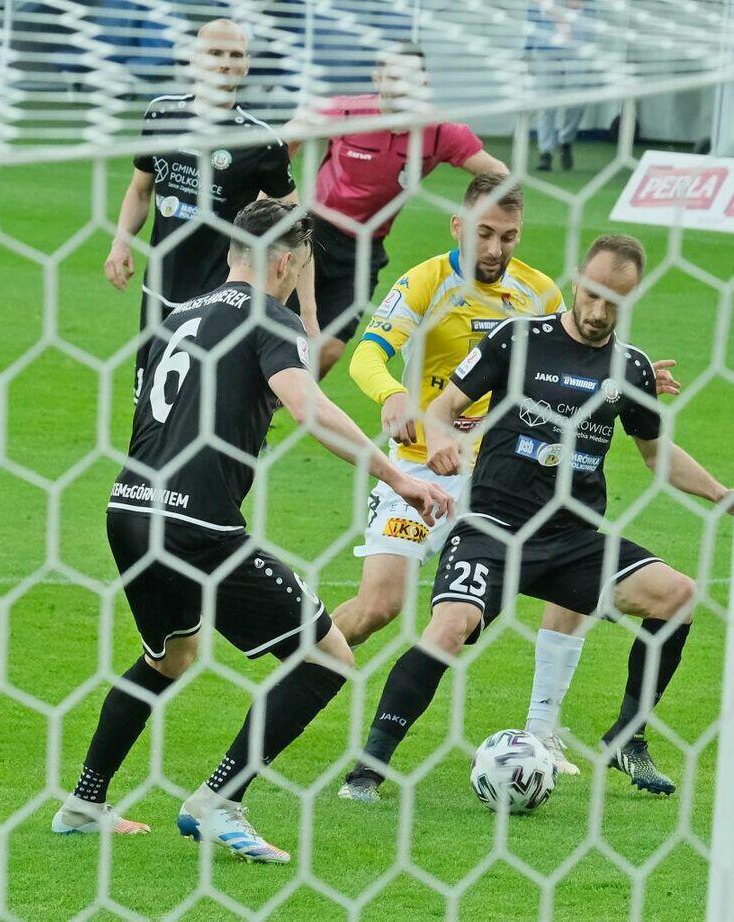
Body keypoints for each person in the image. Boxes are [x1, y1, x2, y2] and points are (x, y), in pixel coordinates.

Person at [54, 200, 453, 862]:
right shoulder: (269, 318)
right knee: (327, 658)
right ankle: (219, 801)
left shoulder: (177, 316)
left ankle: (84, 803)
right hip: (198, 524)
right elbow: (308, 407)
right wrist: (399, 479)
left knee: (170, 657)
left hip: (129, 510)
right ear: (287, 263)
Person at [338, 235, 731, 802]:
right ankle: (368, 768)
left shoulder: (630, 368)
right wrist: (441, 438)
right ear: (576, 280)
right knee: (449, 629)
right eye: (592, 294)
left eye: (615, 302)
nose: (599, 311)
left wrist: (719, 493)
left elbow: (655, 454)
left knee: (678, 596)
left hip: (572, 540)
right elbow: (445, 407)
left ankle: (628, 736)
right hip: (493, 528)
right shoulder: (517, 338)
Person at [104, 18, 310, 400]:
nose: (225, 63)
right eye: (215, 53)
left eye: (235, 55)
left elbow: (295, 225)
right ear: (195, 58)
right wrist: (120, 243)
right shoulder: (161, 115)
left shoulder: (260, 140)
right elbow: (140, 190)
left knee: (204, 406)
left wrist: (301, 309)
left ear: (246, 65)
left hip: (221, 298)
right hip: (160, 288)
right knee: (149, 402)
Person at [285, 42, 508, 377]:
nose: (401, 86)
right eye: (393, 76)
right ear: (377, 79)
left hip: (364, 248)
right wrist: (278, 196)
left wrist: (480, 220)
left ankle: (280, 400)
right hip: (313, 233)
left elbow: (499, 174)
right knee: (280, 330)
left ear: (424, 84)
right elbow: (287, 137)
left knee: (330, 348)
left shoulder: (439, 133)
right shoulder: (347, 113)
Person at [527, 0, 596, 172]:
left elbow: (591, 12)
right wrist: (527, 50)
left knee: (576, 102)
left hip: (577, 47)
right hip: (545, 48)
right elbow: (532, 14)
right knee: (545, 103)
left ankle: (566, 140)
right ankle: (546, 152)